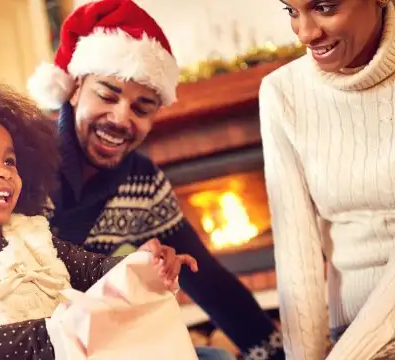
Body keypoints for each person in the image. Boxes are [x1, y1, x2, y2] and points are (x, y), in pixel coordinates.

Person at [27, 0, 284, 359]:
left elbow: (207, 279)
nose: (121, 118)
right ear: (74, 89)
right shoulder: (21, 163)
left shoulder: (144, 184)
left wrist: (278, 354)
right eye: (107, 95)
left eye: (141, 108)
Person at [0, 79, 198, 359]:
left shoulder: (32, 234)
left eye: (10, 161)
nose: (3, 172)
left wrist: (145, 263)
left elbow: (94, 268)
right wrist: (57, 332)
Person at [258, 0, 395, 359]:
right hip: (351, 335)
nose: (305, 33)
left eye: (325, 7)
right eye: (290, 10)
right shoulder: (282, 92)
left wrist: (348, 355)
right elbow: (295, 250)